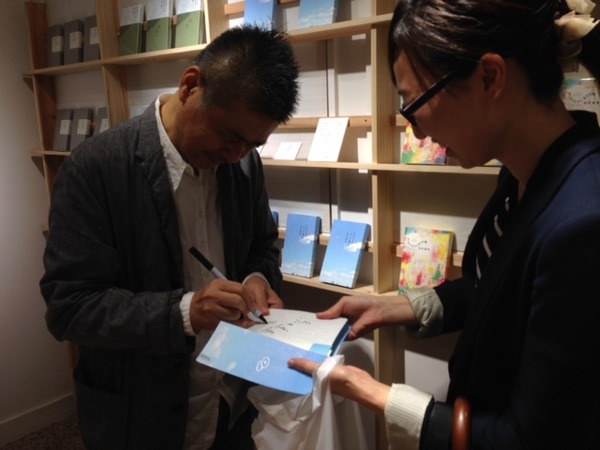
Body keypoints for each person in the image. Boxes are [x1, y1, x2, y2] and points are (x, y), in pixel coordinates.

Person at [289, 1, 600, 448]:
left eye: (413, 106)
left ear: (489, 77)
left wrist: (373, 394)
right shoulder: (523, 173)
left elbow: (535, 439)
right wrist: (400, 307)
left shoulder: (583, 224)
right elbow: (499, 288)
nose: (416, 133)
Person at [40, 25, 299, 450]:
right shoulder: (96, 168)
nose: (235, 156)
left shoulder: (244, 165)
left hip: (229, 401)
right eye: (231, 137)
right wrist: (185, 312)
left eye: (253, 144)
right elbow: (70, 307)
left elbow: (262, 246)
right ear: (190, 85)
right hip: (140, 416)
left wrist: (257, 278)